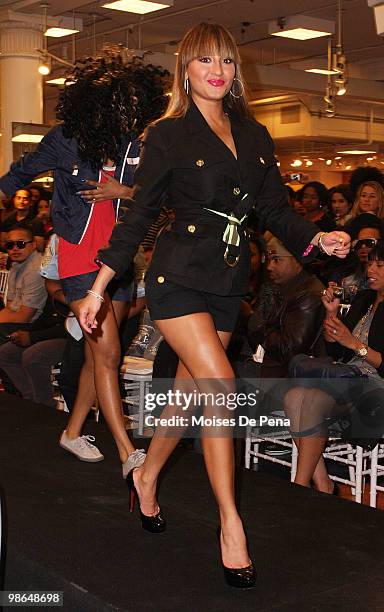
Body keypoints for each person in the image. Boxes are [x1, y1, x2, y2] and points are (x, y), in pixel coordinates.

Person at [78, 23, 350, 588]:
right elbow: (137, 216)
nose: (217, 70)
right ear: (187, 69)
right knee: (221, 387)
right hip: (177, 275)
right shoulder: (168, 133)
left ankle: (147, 475)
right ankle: (231, 523)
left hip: (228, 282)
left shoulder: (254, 134)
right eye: (204, 60)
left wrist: (314, 240)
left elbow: (274, 207)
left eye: (224, 61)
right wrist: (100, 287)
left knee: (190, 392)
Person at [0, 48, 169, 475]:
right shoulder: (63, 140)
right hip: (77, 259)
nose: (130, 112)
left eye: (135, 104)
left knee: (98, 358)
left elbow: (156, 198)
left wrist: (123, 193)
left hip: (119, 260)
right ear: (99, 102)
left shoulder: (136, 144)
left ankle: (72, 431)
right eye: (122, 104)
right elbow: (16, 177)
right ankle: (126, 448)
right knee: (108, 353)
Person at [284, 241, 384, 494]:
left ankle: (299, 487)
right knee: (293, 397)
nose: (371, 269)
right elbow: (335, 350)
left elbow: (355, 348)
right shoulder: (364, 299)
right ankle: (323, 484)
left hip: (376, 388)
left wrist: (354, 344)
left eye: (380, 265)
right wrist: (332, 314)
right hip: (348, 378)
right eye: (370, 263)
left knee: (312, 401)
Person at [0, 227, 47, 341]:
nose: (15, 249)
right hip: (15, 320)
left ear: (33, 245)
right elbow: (10, 307)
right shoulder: (16, 265)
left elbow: (24, 317)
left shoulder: (36, 269)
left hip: (33, 326)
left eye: (21, 244)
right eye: (10, 245)